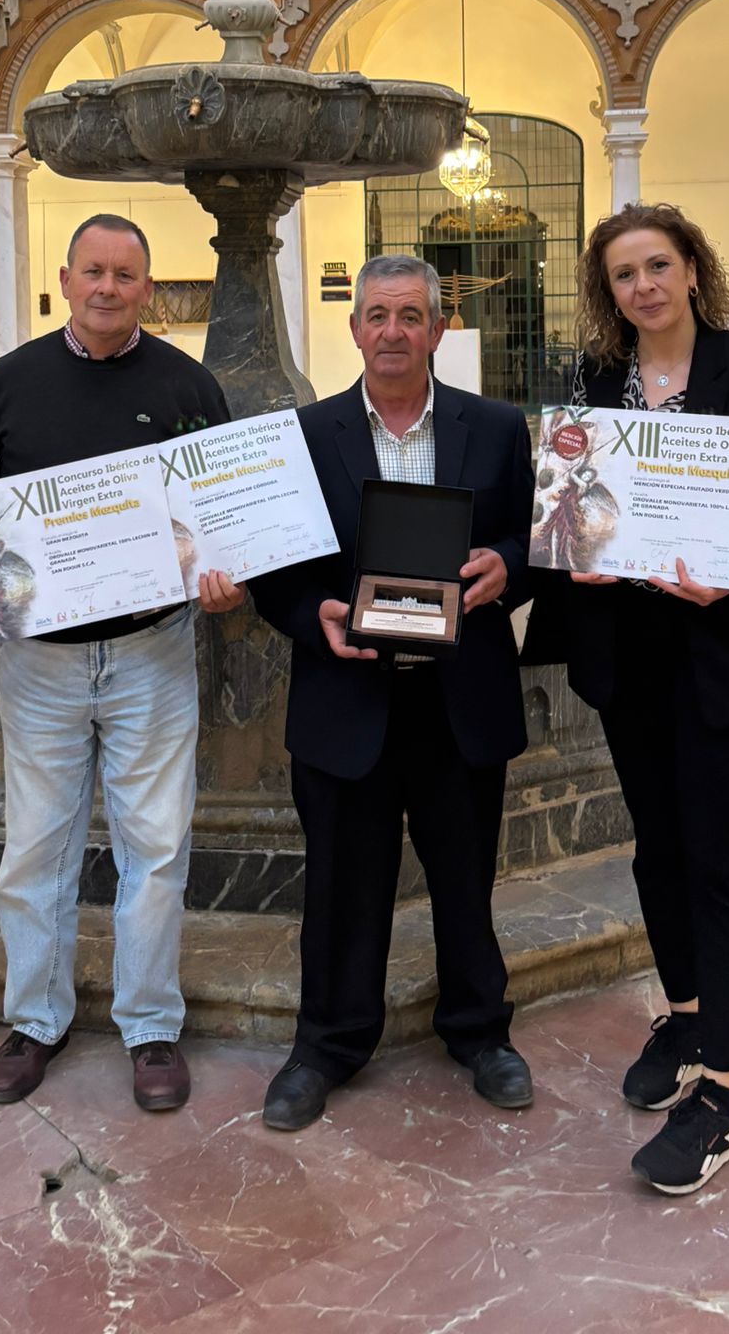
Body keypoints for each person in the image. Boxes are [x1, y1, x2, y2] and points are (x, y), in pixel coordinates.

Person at [525, 204, 729, 1196]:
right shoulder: (593, 381)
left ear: (694, 269)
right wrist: (571, 550)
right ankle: (687, 1016)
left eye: (659, 265)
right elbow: (569, 510)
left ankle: (722, 1093)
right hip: (627, 652)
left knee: (714, 857)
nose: (645, 286)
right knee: (655, 845)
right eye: (624, 274)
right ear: (607, 291)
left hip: (721, 655)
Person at [0, 214, 242, 1114]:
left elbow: (222, 508)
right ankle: (35, 1020)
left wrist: (228, 574)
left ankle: (151, 1025)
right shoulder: (11, 380)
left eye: (125, 276)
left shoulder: (187, 384)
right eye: (93, 271)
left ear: (147, 288)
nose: (107, 288)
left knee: (156, 846)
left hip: (151, 649)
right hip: (41, 662)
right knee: (36, 848)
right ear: (65, 280)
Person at [249, 254, 537, 1132]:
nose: (394, 332)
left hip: (460, 696)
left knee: (466, 878)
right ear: (354, 329)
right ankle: (325, 1047)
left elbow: (535, 539)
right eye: (378, 315)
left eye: (412, 316)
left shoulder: (497, 428)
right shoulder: (306, 435)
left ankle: (481, 1032)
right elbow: (275, 574)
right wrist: (317, 616)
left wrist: (508, 568)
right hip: (348, 693)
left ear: (439, 329)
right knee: (341, 885)